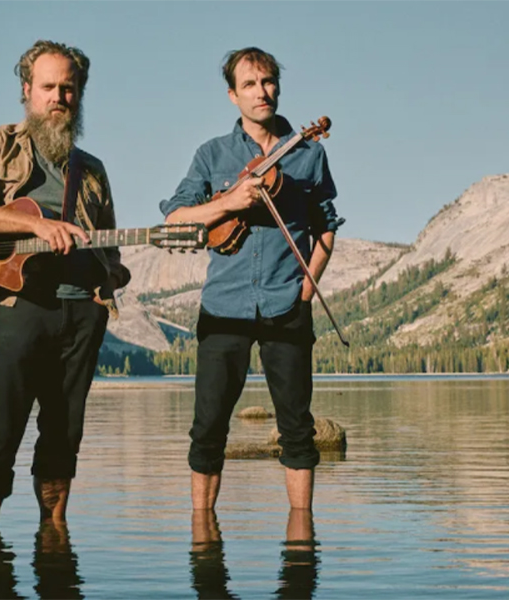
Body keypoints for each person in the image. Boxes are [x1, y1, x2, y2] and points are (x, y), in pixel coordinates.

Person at [0, 40, 130, 542]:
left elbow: (111, 245)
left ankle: (55, 541)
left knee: (64, 432)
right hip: (21, 305)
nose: (59, 98)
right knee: (1, 425)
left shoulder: (91, 170)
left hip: (81, 311)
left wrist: (112, 276)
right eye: (48, 87)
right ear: (27, 91)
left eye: (68, 89)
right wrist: (40, 225)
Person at [160, 47, 342, 512]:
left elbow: (325, 228)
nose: (262, 92)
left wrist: (306, 286)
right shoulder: (212, 154)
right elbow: (177, 219)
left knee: (298, 428)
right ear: (232, 95)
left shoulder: (309, 154)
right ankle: (204, 535)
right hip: (224, 306)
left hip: (287, 303)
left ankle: (301, 541)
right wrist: (230, 202)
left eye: (268, 82)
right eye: (250, 85)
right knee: (208, 427)